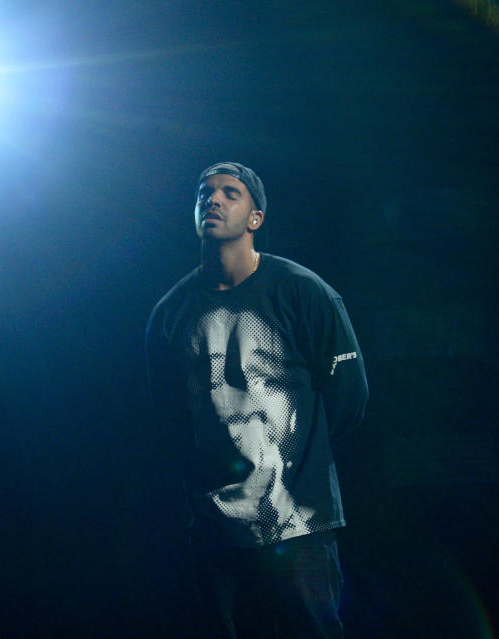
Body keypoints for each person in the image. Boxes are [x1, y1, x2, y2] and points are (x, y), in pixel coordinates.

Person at [146, 162, 368, 638]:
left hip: (298, 529)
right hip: (214, 536)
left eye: (231, 192)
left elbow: (349, 398)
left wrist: (306, 470)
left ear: (255, 218)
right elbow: (166, 419)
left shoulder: (303, 293)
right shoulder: (170, 314)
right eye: (205, 193)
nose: (214, 200)